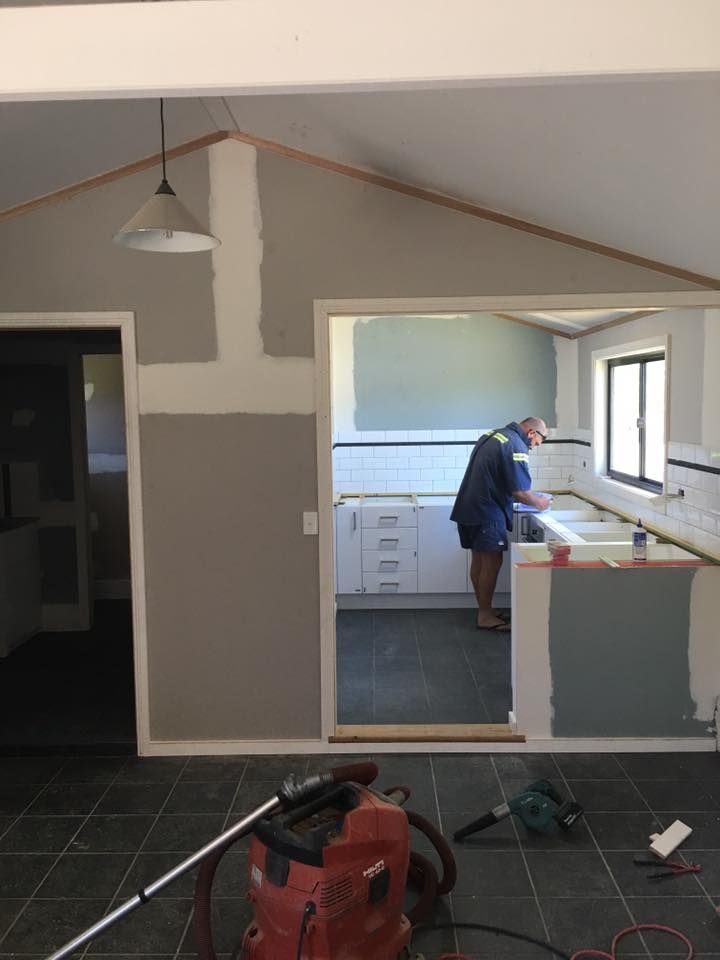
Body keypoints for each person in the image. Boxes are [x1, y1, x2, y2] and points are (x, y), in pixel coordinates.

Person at [450, 417, 552, 631]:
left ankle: (484, 609)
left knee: (479, 561)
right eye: (536, 443)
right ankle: (485, 616)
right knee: (492, 563)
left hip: (469, 506)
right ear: (532, 433)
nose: (533, 447)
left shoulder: (494, 435)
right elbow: (521, 492)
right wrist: (541, 503)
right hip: (487, 511)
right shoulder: (516, 445)